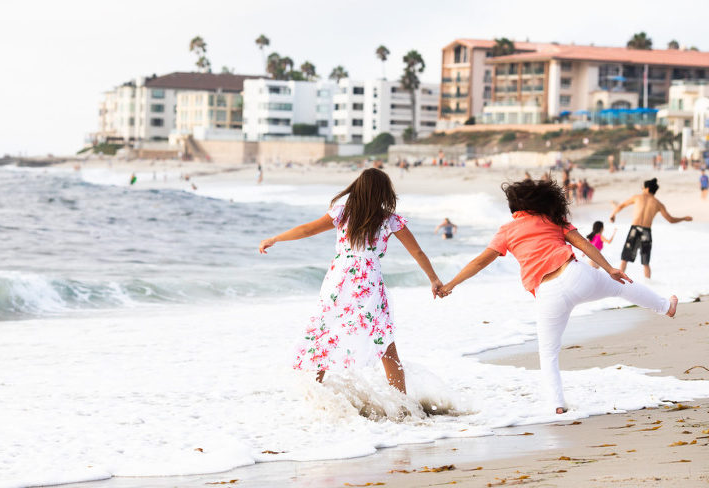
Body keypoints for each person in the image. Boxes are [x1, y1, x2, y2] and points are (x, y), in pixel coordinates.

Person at [437, 179, 677, 414]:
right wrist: (609, 268)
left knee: (548, 352)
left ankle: (557, 404)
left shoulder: (506, 231)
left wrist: (450, 284)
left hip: (548, 294)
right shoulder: (552, 218)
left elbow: (480, 262)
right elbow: (582, 244)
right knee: (622, 287)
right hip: (575, 275)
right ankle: (666, 307)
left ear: (514, 207)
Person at [258, 168, 443, 394]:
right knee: (384, 342)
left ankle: (316, 398)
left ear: (358, 188)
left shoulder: (342, 213)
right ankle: (402, 405)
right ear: (385, 192)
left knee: (324, 331)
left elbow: (307, 230)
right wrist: (433, 279)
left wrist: (275, 238)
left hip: (339, 279)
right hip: (369, 282)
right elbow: (418, 253)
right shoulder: (391, 220)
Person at [610, 178, 692, 279]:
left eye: (643, 188)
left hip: (634, 230)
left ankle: (618, 280)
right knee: (646, 262)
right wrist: (684, 218)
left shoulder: (637, 197)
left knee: (624, 259)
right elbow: (670, 219)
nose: (642, 189)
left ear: (647, 188)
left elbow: (621, 206)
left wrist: (613, 214)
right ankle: (649, 285)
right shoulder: (658, 204)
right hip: (646, 232)